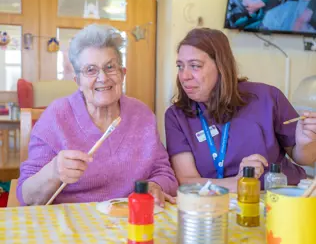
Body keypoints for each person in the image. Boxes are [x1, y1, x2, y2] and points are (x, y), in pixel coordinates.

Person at [17, 24, 178, 206]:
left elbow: (164, 173)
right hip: (72, 226)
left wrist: (155, 185)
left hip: (129, 220)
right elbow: (27, 196)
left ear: (122, 74)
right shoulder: (55, 117)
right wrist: (54, 172)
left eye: (110, 67)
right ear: (78, 81)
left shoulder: (142, 115)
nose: (102, 78)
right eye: (91, 70)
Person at [165, 27, 316, 192]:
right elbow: (187, 182)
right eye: (180, 66)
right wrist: (238, 182)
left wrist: (305, 143)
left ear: (221, 66)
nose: (184, 76)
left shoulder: (267, 97)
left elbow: (305, 158)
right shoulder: (177, 116)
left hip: (281, 196)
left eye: (195, 66)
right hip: (219, 203)